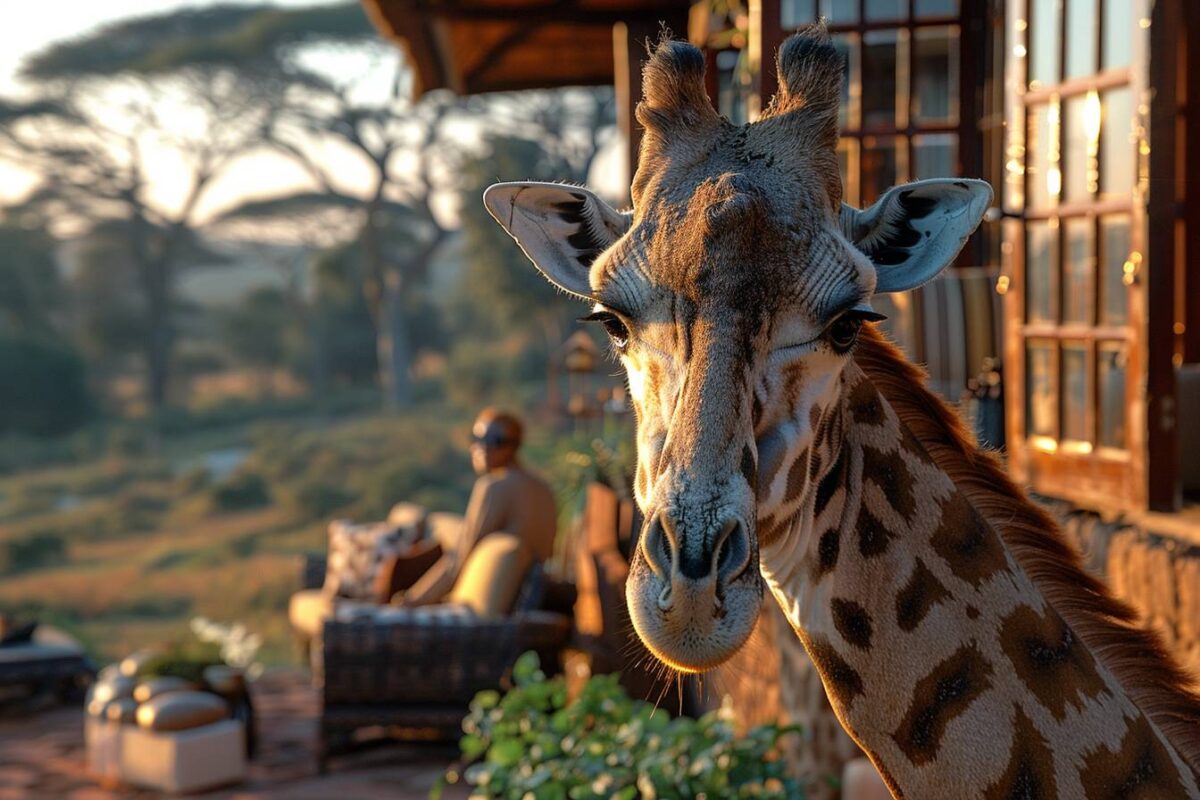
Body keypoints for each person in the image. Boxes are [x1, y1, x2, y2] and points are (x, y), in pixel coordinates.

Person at [399, 408, 557, 606]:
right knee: (437, 523)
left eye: (494, 441)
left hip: (496, 601)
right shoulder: (543, 488)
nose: (481, 447)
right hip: (530, 595)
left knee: (433, 524)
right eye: (477, 438)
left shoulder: (493, 486)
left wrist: (411, 602)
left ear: (511, 446)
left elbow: (459, 560)